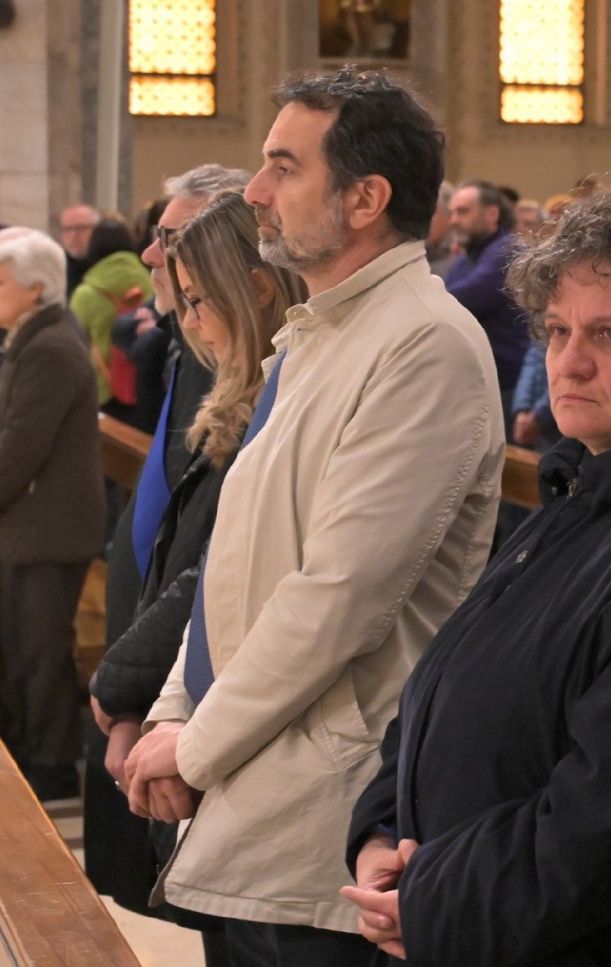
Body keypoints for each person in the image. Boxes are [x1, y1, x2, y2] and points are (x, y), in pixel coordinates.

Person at [121, 67, 504, 965]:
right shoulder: (315, 332)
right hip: (248, 775)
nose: (255, 193)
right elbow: (233, 562)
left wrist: (194, 744)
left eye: (283, 168)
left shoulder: (425, 345)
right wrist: (176, 706)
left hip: (324, 818)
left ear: (367, 197)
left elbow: (338, 597)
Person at [343, 191, 611, 965]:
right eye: (559, 331)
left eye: (610, 334)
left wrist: (433, 893)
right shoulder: (580, 487)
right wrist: (377, 832)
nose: (570, 361)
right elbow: (442, 681)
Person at [90, 191, 304, 958]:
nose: (188, 321)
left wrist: (129, 686)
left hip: (251, 733)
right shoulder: (236, 388)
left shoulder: (285, 402)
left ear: (256, 290)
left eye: (198, 300)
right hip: (191, 693)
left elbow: (225, 575)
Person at [83, 163, 247, 921]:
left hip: (187, 658)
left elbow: (218, 553)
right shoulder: (193, 346)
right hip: (153, 637)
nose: (157, 257)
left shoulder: (246, 363)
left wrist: (137, 688)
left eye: (175, 241)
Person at [0, 230, 105, 802]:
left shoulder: (50, 346)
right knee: (22, 648)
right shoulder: (31, 337)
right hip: (32, 522)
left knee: (42, 650)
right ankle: (31, 750)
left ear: (36, 288)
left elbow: (23, 440)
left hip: (49, 525)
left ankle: (51, 764)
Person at [444, 180, 530, 398]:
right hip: (477, 381)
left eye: (462, 212)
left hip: (507, 384)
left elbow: (465, 297)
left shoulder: (508, 251)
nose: (453, 221)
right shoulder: (465, 258)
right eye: (451, 213)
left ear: (491, 214)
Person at [68, 217, 153, 413]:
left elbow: (74, 343)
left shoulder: (86, 293)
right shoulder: (149, 281)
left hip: (103, 387)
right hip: (143, 383)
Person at [60, 203, 102, 292]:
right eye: (67, 229)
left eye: (81, 228)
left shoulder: (107, 264)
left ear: (97, 230)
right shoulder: (57, 267)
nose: (73, 235)